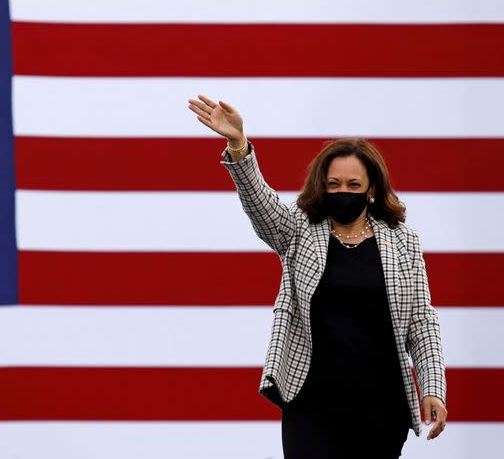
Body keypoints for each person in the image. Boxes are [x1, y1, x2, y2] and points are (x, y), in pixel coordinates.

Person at [187, 95, 448, 458]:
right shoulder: (298, 229)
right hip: (311, 402)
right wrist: (239, 144)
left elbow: (421, 320)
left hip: (381, 404)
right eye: (334, 184)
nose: (343, 192)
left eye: (353, 185)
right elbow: (261, 206)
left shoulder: (403, 240)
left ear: (371, 189)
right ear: (321, 186)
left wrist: (432, 387)